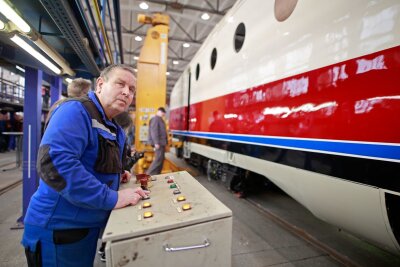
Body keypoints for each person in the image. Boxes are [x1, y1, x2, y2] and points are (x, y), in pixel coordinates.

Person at [21, 64, 149, 266]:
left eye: (132, 89)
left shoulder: (112, 126)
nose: (126, 92)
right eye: (120, 84)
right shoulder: (75, 111)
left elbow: (94, 162)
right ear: (100, 84)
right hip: (58, 230)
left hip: (83, 227)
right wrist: (112, 197)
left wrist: (116, 175)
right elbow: (55, 165)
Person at [146, 107, 168, 175]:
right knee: (158, 159)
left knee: (161, 159)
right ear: (159, 112)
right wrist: (156, 142)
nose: (163, 115)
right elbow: (154, 132)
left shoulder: (160, 119)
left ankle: (157, 174)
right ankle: (149, 174)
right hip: (158, 143)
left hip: (161, 143)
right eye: (163, 114)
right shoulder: (156, 119)